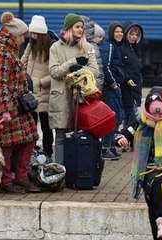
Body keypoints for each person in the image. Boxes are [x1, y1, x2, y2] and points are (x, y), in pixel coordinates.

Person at [0, 11, 40, 193]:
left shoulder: (7, 51)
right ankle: (5, 182)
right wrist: (5, 111)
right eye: (23, 36)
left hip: (16, 106)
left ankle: (20, 178)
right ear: (14, 36)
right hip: (5, 108)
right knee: (6, 144)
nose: (24, 40)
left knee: (30, 137)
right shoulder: (1, 54)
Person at [115, 86, 162, 240]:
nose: (156, 115)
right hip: (145, 168)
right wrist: (121, 139)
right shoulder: (141, 121)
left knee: (157, 183)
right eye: (153, 112)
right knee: (151, 200)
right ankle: (159, 233)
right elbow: (125, 132)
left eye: (159, 112)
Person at [48, 13, 99, 165]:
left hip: (82, 99)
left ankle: (77, 173)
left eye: (82, 27)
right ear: (69, 29)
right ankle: (60, 172)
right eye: (77, 27)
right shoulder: (55, 47)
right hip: (61, 98)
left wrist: (78, 72)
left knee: (82, 137)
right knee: (60, 138)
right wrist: (73, 63)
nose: (81, 30)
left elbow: (95, 71)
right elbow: (54, 72)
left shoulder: (88, 47)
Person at [21, 15, 54, 157]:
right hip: (31, 92)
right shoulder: (30, 45)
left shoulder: (51, 47)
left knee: (46, 126)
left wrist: (41, 82)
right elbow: (23, 62)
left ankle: (48, 151)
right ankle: (31, 152)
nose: (32, 35)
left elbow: (54, 71)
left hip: (44, 91)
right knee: (31, 125)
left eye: (34, 33)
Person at [99, 22, 126, 160]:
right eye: (117, 32)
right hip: (110, 88)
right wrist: (113, 84)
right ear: (111, 32)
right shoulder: (109, 46)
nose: (119, 34)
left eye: (121, 32)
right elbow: (105, 66)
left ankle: (109, 146)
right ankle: (104, 148)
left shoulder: (114, 46)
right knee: (113, 117)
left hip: (114, 86)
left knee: (118, 116)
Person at [120, 21, 144, 131]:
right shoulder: (122, 49)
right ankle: (128, 138)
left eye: (136, 35)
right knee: (134, 116)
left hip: (134, 88)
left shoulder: (134, 49)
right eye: (131, 34)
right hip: (127, 88)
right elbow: (120, 66)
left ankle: (126, 138)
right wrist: (127, 78)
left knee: (128, 116)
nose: (134, 37)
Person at [82, 16, 104, 91]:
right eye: (99, 37)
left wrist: (97, 88)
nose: (101, 39)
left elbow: (98, 70)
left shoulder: (91, 47)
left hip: (89, 88)